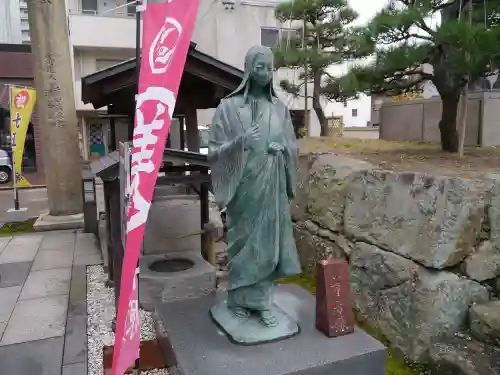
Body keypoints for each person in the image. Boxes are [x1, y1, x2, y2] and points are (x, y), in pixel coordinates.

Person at [208, 45, 301, 328]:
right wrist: (241, 142)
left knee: (268, 244)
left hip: (270, 185)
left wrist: (281, 150)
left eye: (270, 68)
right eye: (260, 67)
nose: (265, 73)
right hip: (242, 190)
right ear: (249, 69)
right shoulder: (228, 107)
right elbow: (213, 151)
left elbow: (292, 147)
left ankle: (262, 302)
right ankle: (237, 298)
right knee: (243, 244)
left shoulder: (280, 109)